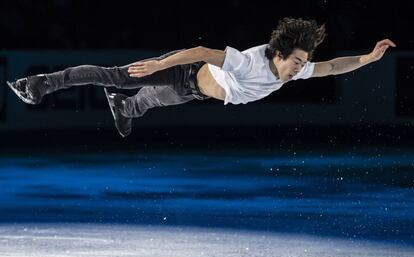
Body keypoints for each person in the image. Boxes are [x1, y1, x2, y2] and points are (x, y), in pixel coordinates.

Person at [7, 17, 396, 138]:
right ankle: (42, 83)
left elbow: (331, 66)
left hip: (197, 92)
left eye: (302, 62)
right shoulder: (249, 62)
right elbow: (200, 51)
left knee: (147, 102)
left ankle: (123, 106)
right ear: (279, 54)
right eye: (296, 61)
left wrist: (369, 57)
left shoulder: (293, 69)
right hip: (185, 71)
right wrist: (158, 66)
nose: (300, 67)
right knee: (119, 76)